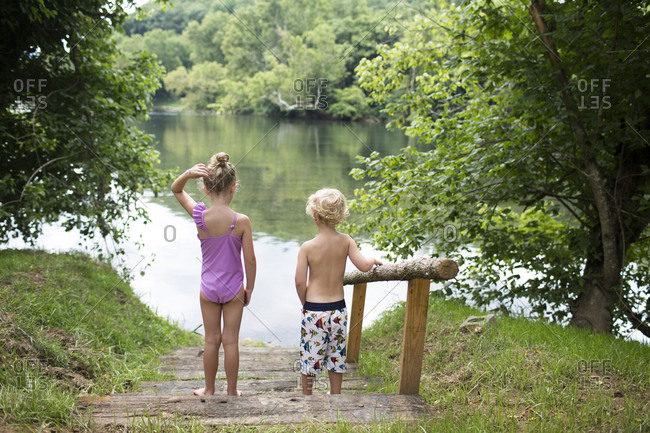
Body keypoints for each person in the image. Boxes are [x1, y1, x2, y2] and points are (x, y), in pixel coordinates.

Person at [171, 152, 256, 397]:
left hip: (208, 288)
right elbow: (250, 259)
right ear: (233, 187)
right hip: (233, 289)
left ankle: (208, 389)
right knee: (230, 341)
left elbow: (176, 190)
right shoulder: (242, 221)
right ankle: (231, 391)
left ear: (206, 189)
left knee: (211, 340)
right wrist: (249, 287)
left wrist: (188, 173)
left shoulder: (200, 216)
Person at [295, 188, 382, 395]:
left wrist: (305, 303)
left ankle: (307, 396)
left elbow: (299, 281)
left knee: (310, 355)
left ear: (314, 216)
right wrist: (372, 260)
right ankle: (336, 395)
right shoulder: (346, 241)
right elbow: (363, 265)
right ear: (341, 216)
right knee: (336, 355)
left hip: (314, 309)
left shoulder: (307, 247)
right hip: (338, 310)